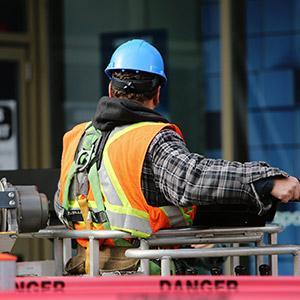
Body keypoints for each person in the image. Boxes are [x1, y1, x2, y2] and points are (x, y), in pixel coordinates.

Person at [54, 39, 300, 275]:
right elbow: (192, 179)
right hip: (143, 276)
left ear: (110, 88)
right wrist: (268, 181)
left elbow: (61, 203)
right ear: (158, 93)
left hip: (86, 274)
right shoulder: (150, 138)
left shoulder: (76, 138)